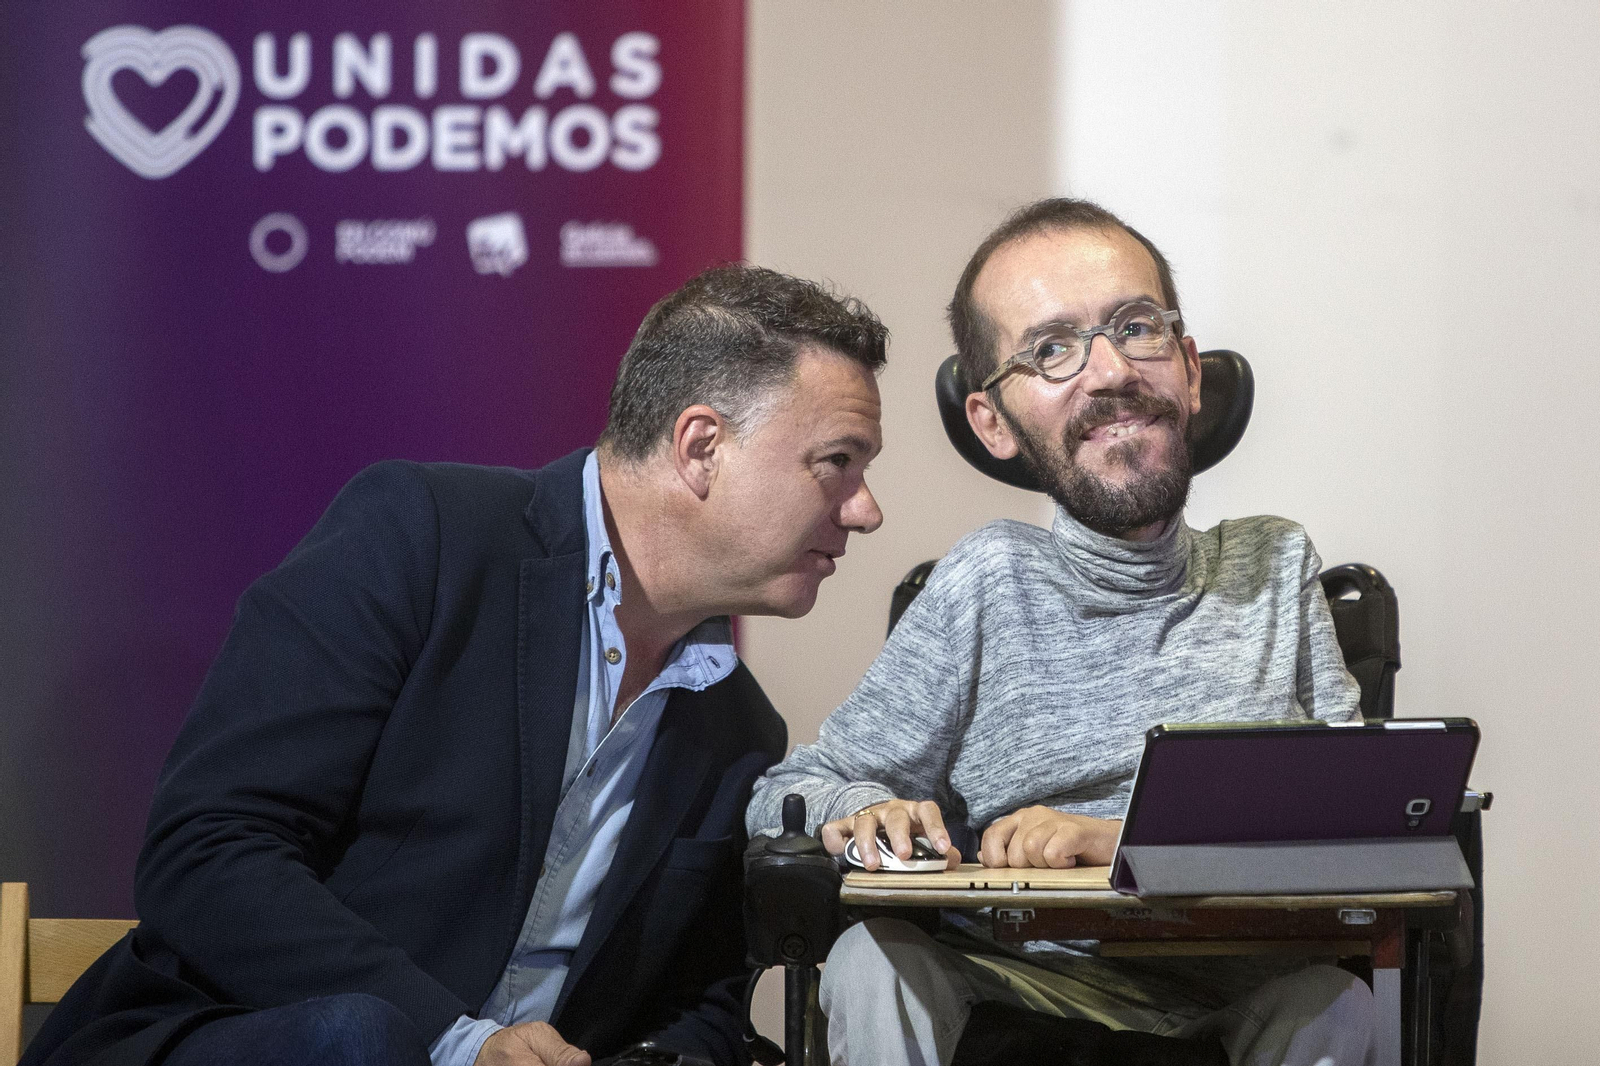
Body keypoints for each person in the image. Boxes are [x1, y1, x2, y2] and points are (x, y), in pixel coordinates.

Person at [24, 265, 889, 1066]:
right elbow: (206, 852)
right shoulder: (424, 537)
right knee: (358, 1038)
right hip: (254, 1039)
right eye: (836, 463)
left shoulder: (738, 727)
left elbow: (698, 1002)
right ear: (701, 447)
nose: (866, 510)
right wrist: (456, 1042)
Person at [746, 199, 1375, 1066]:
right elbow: (794, 786)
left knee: (1341, 1007)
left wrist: (1122, 842)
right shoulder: (988, 581)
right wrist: (865, 810)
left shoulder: (1272, 566)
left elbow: (1368, 821)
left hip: (1238, 1004)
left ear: (1190, 372)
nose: (1110, 370)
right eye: (1051, 349)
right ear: (993, 422)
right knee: (870, 963)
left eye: (1136, 327)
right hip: (1016, 997)